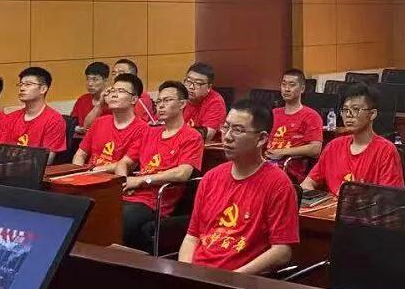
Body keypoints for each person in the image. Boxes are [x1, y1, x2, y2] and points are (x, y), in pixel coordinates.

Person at [179, 100, 300, 274]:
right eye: (226, 127)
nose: (227, 136)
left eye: (238, 130)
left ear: (261, 139)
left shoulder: (278, 184)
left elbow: (281, 251)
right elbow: (192, 237)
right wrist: (185, 273)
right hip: (198, 275)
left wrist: (235, 278)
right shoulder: (210, 177)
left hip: (238, 280)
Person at [115, 81, 204, 252]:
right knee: (98, 210)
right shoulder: (150, 132)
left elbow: (182, 173)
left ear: (182, 104)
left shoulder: (191, 137)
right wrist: (125, 181)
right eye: (159, 101)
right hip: (130, 193)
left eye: (167, 100)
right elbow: (124, 162)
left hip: (155, 200)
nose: (161, 106)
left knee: (121, 220)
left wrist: (142, 181)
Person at [302, 83, 403, 196]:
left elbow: (390, 198)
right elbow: (307, 183)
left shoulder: (386, 150)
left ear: (372, 114)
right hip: (332, 206)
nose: (349, 115)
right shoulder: (333, 146)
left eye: (356, 109)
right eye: (345, 110)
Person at [0, 67, 67, 163]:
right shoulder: (9, 118)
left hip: (32, 170)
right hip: (5, 167)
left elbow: (47, 159)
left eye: (28, 84)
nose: (22, 88)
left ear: (43, 89)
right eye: (21, 84)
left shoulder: (54, 120)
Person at [72, 73, 147, 172]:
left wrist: (93, 171)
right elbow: (80, 154)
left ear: (133, 99)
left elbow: (128, 165)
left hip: (114, 178)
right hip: (87, 175)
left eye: (121, 91)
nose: (114, 95)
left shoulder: (143, 129)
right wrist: (77, 171)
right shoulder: (99, 122)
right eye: (112, 91)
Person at [265, 68, 323, 182]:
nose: (286, 89)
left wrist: (282, 152)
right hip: (266, 163)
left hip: (289, 168)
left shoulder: (311, 116)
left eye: (292, 85)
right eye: (284, 84)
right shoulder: (273, 113)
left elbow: (315, 149)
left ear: (302, 89)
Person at [182, 62, 227, 141]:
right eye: (188, 81)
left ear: (209, 87)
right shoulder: (179, 97)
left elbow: (206, 136)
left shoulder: (216, 102)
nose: (191, 87)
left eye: (198, 83)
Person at [70, 61, 111, 133]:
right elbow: (71, 123)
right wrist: (76, 128)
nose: (90, 84)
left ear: (105, 80)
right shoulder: (82, 99)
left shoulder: (112, 101)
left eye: (95, 79)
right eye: (88, 79)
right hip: (80, 138)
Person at [113, 58, 156, 122]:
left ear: (133, 75)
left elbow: (142, 123)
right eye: (114, 74)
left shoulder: (140, 97)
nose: (116, 76)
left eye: (121, 73)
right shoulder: (110, 95)